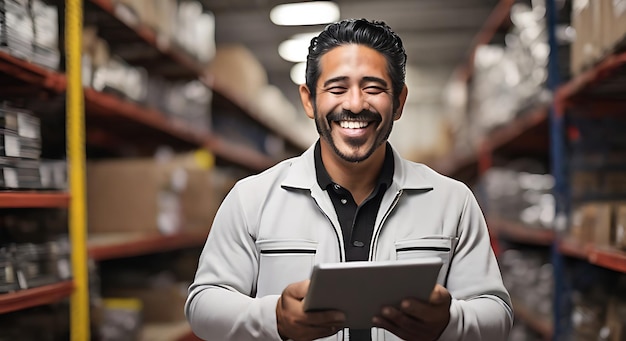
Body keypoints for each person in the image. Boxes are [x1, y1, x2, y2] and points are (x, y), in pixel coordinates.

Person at [185, 18, 513, 341]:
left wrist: (450, 322)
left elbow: (496, 313)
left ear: (398, 102)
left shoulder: (452, 201)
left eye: (373, 88)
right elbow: (203, 305)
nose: (355, 104)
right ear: (309, 100)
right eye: (337, 88)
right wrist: (274, 319)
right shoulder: (251, 199)